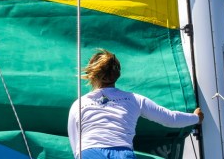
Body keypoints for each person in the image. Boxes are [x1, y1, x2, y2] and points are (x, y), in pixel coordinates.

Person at [68, 50, 202, 159]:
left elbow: (76, 146)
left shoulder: (79, 104)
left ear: (93, 75)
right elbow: (170, 119)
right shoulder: (134, 100)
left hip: (89, 154)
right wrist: (196, 117)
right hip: (122, 154)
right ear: (118, 74)